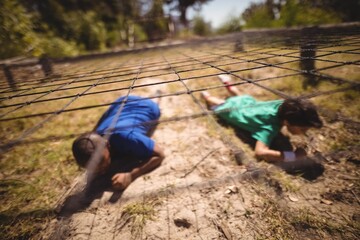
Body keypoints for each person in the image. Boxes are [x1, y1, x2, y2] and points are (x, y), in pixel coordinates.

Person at [201, 75, 323, 163]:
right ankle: (206, 95)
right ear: (286, 121)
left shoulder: (283, 104)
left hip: (249, 103)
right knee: (219, 103)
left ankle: (227, 82)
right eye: (302, 129)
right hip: (233, 110)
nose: (304, 132)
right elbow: (260, 152)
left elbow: (298, 106)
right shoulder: (269, 127)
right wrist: (293, 156)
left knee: (239, 95)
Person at [72, 95, 165, 191]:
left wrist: (131, 175)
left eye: (102, 161)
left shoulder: (128, 137)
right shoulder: (97, 136)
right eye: (92, 167)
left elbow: (159, 154)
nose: (100, 169)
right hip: (121, 102)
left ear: (107, 144)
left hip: (146, 105)